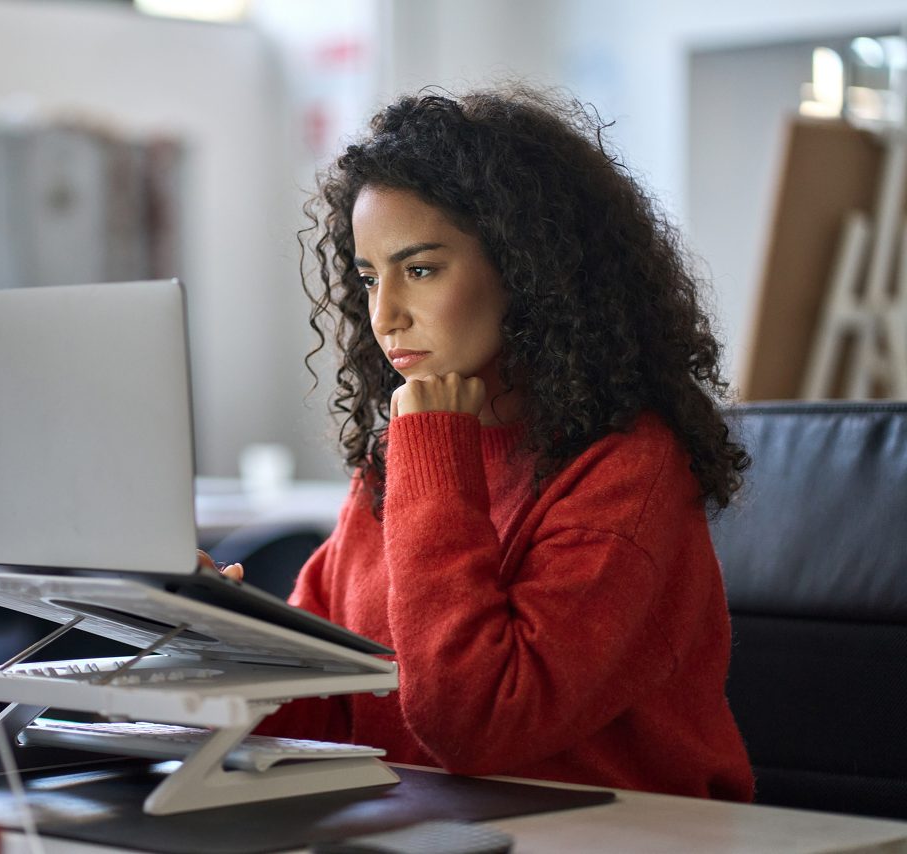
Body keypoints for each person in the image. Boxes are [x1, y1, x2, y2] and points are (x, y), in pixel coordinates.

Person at [251, 86, 755, 801]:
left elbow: (476, 722)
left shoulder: (629, 469)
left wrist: (433, 453)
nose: (384, 315)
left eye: (420, 269)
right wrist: (213, 640)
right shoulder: (398, 464)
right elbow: (321, 707)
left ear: (528, 272)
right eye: (369, 277)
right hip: (426, 825)